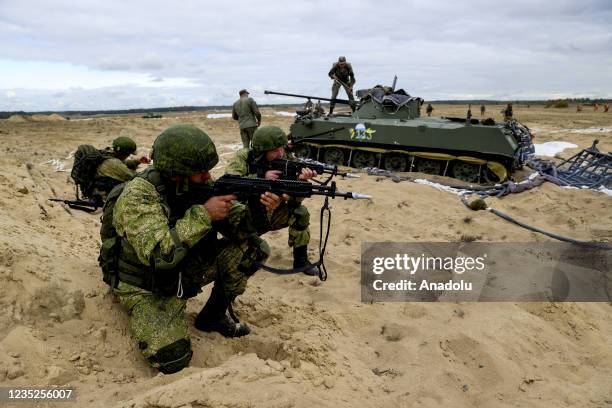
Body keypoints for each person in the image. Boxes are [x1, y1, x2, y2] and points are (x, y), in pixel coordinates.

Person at [99, 124, 280, 374]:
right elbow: (158, 255)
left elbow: (239, 228)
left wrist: (261, 208)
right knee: (173, 359)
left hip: (183, 270)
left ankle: (212, 317)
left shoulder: (194, 184)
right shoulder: (138, 196)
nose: (207, 176)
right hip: (146, 284)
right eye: (200, 172)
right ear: (177, 173)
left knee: (253, 249)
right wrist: (205, 214)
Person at [225, 125, 318, 275]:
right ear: (262, 151)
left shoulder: (286, 160)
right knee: (247, 256)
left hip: (272, 214)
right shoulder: (244, 157)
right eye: (274, 150)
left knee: (300, 213)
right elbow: (229, 184)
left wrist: (301, 182)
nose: (280, 153)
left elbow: (294, 202)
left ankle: (301, 261)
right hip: (247, 217)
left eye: (281, 147)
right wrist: (261, 178)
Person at [72, 136, 148, 205]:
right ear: (124, 153)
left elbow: (123, 163)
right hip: (101, 193)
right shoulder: (113, 164)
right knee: (130, 184)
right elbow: (132, 177)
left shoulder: (107, 154)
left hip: (94, 187)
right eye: (128, 154)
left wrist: (137, 162)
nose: (128, 156)